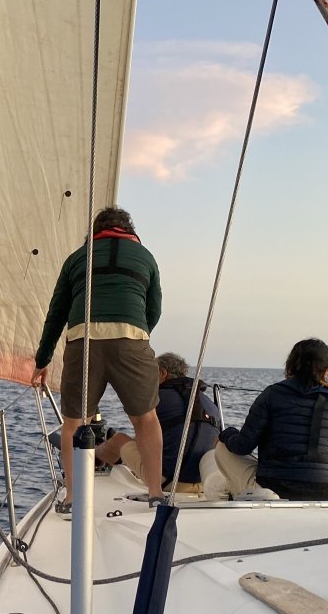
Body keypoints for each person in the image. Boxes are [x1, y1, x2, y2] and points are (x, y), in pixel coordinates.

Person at [31, 205, 164, 517]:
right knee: (146, 419)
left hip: (83, 341)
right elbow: (154, 309)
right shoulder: (146, 257)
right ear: (129, 230)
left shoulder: (77, 258)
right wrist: (135, 335)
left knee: (74, 424)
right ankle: (156, 494)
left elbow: (56, 314)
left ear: (95, 232)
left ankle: (72, 497)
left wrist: (42, 359)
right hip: (130, 339)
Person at [209, 338, 328, 501]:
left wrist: (226, 434)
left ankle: (239, 491)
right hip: (327, 492)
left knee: (223, 448)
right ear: (327, 370)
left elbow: (242, 446)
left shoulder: (272, 394)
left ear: (290, 365)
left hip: (275, 489)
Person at [97, 352, 221, 494]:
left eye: (150, 372)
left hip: (169, 483)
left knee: (119, 439)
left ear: (162, 373)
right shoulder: (207, 402)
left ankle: (95, 458)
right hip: (204, 482)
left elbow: (144, 439)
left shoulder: (156, 399)